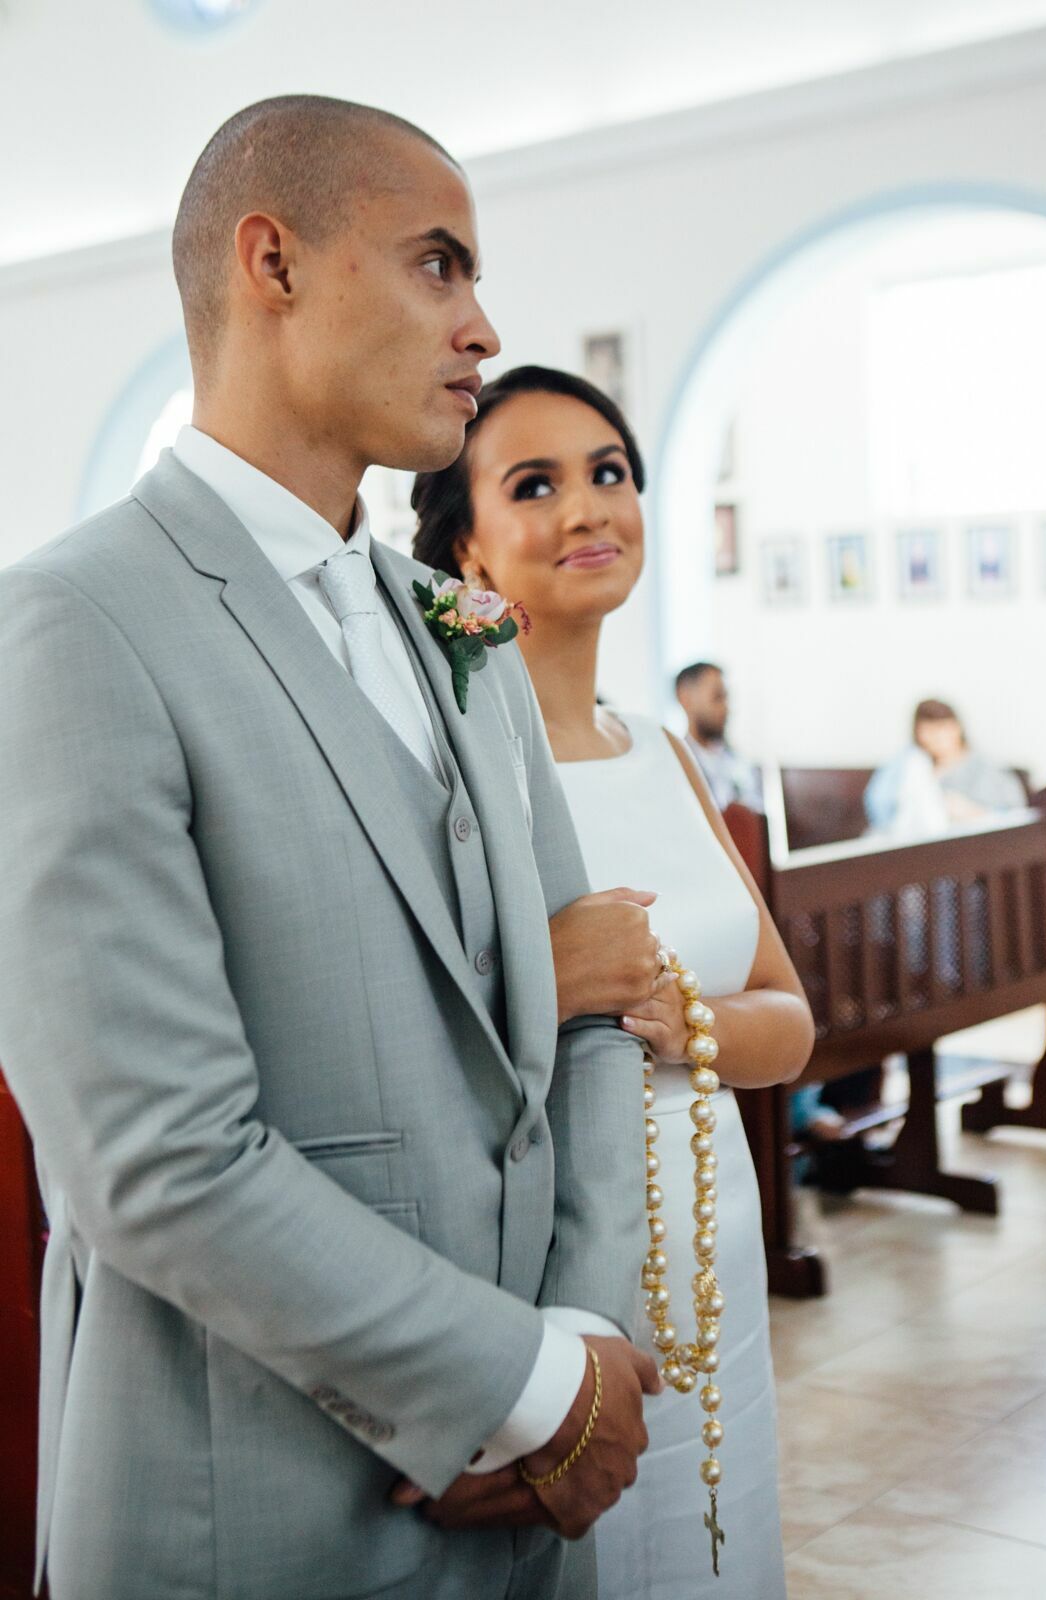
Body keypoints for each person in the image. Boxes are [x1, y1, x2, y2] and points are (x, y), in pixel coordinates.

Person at [0, 100, 665, 1600]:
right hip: (256, 1502)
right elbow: (150, 1155)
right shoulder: (75, 625)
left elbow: (600, 1003)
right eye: (439, 265)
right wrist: (519, 1385)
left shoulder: (457, 623)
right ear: (272, 261)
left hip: (529, 1501)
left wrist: (583, 1340)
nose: (483, 326)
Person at [412, 365, 815, 1600]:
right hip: (559, 1265)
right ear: (468, 545)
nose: (588, 508)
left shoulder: (666, 753)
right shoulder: (441, 772)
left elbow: (790, 1023)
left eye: (609, 473)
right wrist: (563, 987)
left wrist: (675, 1018)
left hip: (717, 1240)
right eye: (535, 484)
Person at [865, 698, 1028, 835]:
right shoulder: (911, 767)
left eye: (942, 728)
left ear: (957, 728)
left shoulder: (987, 770)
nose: (936, 738)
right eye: (927, 731)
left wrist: (974, 813)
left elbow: (1014, 816)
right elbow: (881, 810)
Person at [675, 661, 763, 812]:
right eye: (717, 697)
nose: (726, 708)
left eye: (726, 697)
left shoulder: (742, 764)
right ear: (685, 698)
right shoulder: (675, 765)